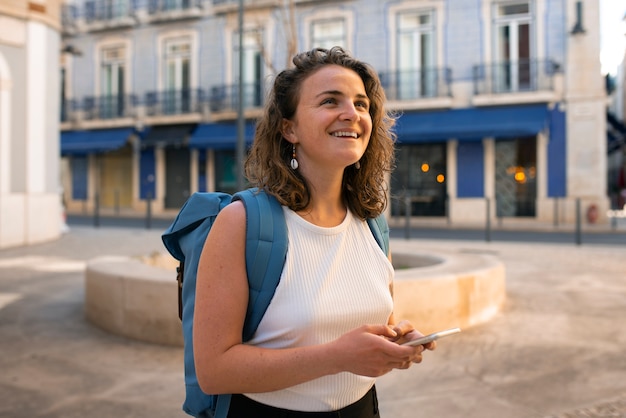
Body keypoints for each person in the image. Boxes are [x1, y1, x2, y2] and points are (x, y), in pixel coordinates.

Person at [194, 46, 436, 418]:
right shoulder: (241, 222)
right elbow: (213, 372)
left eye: (360, 103)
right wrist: (336, 356)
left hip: (363, 408)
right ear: (288, 128)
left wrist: (395, 339)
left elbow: (374, 323)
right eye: (330, 101)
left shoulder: (372, 222)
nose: (351, 114)